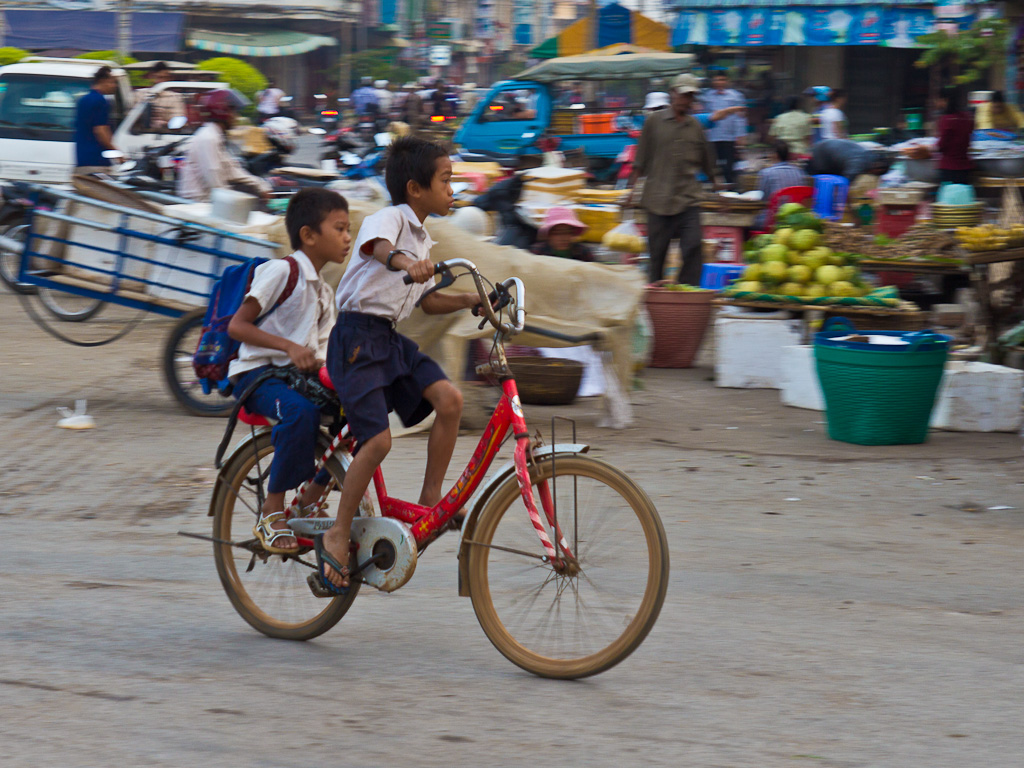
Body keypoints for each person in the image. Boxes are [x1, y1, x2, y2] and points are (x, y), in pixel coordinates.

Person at [316, 136, 484, 593]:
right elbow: (378, 249)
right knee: (378, 442)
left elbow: (427, 302)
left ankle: (431, 504)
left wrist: (474, 298)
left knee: (450, 400)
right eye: (446, 180)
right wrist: (406, 262)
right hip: (355, 339)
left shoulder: (422, 237)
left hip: (388, 339)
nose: (454, 189)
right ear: (414, 188)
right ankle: (336, 532)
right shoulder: (388, 220)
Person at [227, 188, 352, 553]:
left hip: (296, 378)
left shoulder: (325, 293)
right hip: (259, 375)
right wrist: (289, 347)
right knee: (301, 413)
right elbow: (238, 326)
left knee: (362, 414)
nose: (347, 238)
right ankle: (271, 509)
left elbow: (325, 352)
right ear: (309, 235)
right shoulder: (283, 271)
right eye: (340, 228)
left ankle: (311, 496)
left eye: (349, 229)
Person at [626, 73, 718, 286]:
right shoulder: (654, 122)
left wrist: (718, 188)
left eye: (691, 96)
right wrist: (631, 191)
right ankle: (656, 298)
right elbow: (640, 160)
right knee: (657, 255)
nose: (686, 100)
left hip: (688, 199)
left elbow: (708, 162)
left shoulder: (695, 127)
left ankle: (686, 292)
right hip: (658, 200)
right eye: (683, 95)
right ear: (673, 94)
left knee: (694, 247)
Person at [177, 89, 271, 202]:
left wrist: (261, 186)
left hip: (210, 199)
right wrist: (234, 201)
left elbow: (232, 170)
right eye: (234, 112)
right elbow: (214, 177)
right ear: (223, 113)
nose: (237, 117)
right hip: (199, 202)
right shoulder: (208, 138)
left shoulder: (217, 136)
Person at [701, 72, 747, 186]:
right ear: (713, 82)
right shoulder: (707, 96)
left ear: (727, 81)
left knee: (729, 165)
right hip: (713, 136)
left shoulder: (736, 96)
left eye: (722, 79)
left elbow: (740, 117)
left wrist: (740, 135)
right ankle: (713, 188)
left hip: (729, 136)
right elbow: (703, 115)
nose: (719, 82)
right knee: (712, 163)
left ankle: (730, 187)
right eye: (717, 80)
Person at [74, 65, 121, 172]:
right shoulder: (101, 101)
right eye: (112, 82)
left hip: (82, 159)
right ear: (103, 81)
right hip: (97, 161)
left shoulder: (83, 100)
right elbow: (100, 131)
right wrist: (116, 153)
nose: (114, 86)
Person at [755, 141, 810, 228]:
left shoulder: (767, 173)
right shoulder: (800, 172)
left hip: (774, 220)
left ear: (775, 155)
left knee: (751, 220)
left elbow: (763, 198)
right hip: (797, 219)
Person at [935, 86, 974, 185]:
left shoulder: (946, 119)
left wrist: (931, 148)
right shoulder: (966, 117)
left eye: (939, 100)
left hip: (949, 168)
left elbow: (941, 146)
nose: (938, 103)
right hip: (965, 168)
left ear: (946, 100)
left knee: (948, 198)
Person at [809, 138, 886, 181]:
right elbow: (845, 182)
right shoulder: (859, 163)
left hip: (828, 148)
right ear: (877, 170)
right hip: (823, 154)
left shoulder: (868, 155)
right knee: (825, 181)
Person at [141, 61, 185, 131]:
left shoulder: (174, 97)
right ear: (150, 77)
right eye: (158, 77)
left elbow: (178, 120)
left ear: (169, 79)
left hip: (166, 135)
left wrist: (165, 124)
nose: (160, 81)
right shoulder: (139, 95)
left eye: (164, 78)